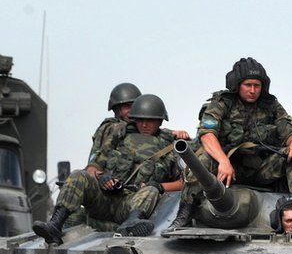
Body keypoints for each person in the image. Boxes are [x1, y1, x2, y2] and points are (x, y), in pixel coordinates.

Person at [169, 57, 292, 230]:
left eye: (257, 86)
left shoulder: (270, 105)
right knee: (201, 160)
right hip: (227, 169)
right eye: (248, 85)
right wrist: (223, 161)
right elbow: (207, 134)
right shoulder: (222, 103)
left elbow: (286, 126)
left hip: (259, 169)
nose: (252, 90)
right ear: (237, 85)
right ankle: (184, 212)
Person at [33, 94, 184, 245]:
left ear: (160, 121)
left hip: (131, 204)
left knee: (151, 190)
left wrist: (160, 186)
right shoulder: (118, 138)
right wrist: (102, 177)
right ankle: (55, 224)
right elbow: (93, 167)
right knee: (79, 175)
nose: (144, 125)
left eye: (150, 120)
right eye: (140, 119)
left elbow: (185, 182)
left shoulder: (171, 149)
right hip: (105, 199)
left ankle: (131, 224)